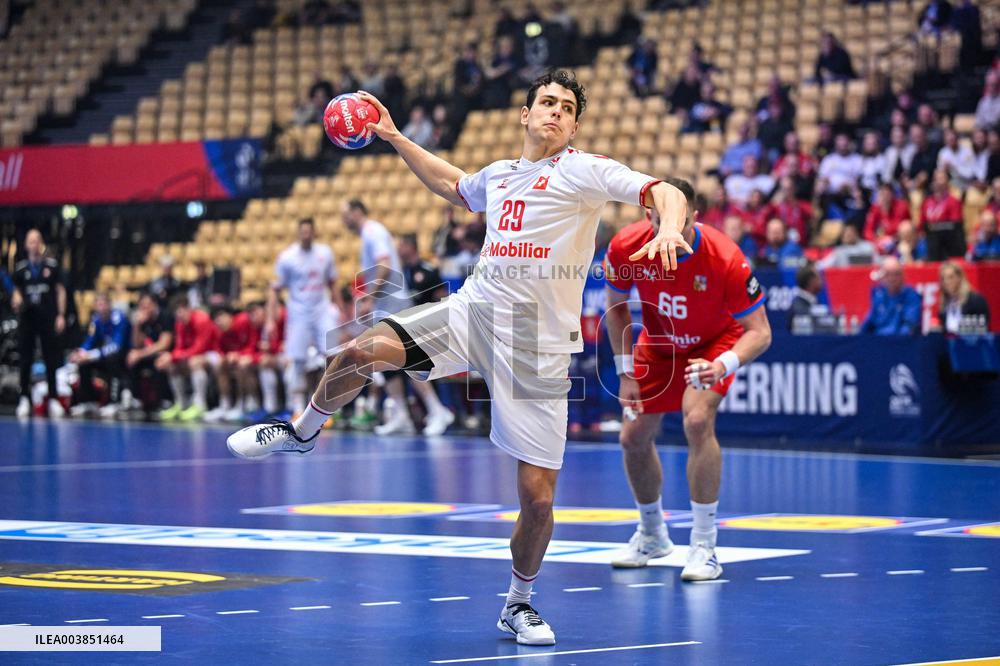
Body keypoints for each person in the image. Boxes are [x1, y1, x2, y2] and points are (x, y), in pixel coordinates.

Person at [227, 70, 691, 646]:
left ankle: (518, 604)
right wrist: (395, 137)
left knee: (539, 500)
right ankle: (301, 432)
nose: (554, 112)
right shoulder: (499, 176)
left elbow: (664, 191)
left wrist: (670, 226)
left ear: (574, 125)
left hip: (537, 347)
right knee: (356, 350)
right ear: (525, 115)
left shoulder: (584, 170)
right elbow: (453, 185)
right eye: (545, 102)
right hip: (474, 312)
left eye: (566, 108)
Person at [602, 178, 771, 580]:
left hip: (711, 344)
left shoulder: (725, 258)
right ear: (649, 215)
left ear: (694, 216)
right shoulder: (626, 246)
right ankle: (652, 534)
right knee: (632, 437)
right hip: (658, 345)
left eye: (681, 222)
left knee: (697, 420)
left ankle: (705, 545)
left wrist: (724, 364)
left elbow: (760, 332)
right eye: (663, 223)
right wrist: (625, 371)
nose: (671, 232)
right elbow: (616, 307)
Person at [341, 200, 455, 437]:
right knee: (384, 360)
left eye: (344, 215)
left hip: (393, 303)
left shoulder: (373, 232)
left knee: (408, 358)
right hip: (384, 304)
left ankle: (437, 410)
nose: (342, 220)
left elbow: (384, 265)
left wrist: (368, 298)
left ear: (356, 212)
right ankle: (401, 414)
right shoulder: (367, 235)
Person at [271, 218, 340, 416]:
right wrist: (270, 318)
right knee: (297, 361)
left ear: (314, 233)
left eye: (309, 232)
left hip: (322, 310)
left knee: (333, 355)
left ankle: (328, 406)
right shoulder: (287, 257)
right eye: (303, 232)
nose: (306, 235)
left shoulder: (325, 253)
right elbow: (275, 288)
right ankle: (298, 407)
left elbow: (333, 282)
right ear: (298, 233)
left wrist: (340, 309)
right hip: (298, 313)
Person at [11, 229, 66, 419]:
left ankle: (53, 398)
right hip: (28, 318)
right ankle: (24, 398)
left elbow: (60, 291)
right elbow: (15, 292)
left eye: (37, 241)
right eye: (31, 242)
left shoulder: (51, 267)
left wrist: (60, 314)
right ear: (26, 245)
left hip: (47, 317)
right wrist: (16, 300)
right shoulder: (20, 269)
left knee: (51, 358)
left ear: (41, 244)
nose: (34, 245)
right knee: (25, 358)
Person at [68, 291, 131, 419]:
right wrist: (81, 353)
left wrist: (91, 355)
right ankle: (88, 402)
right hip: (103, 355)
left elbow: (116, 346)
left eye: (104, 304)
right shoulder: (96, 320)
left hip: (122, 356)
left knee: (112, 360)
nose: (101, 308)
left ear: (109, 305)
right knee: (83, 363)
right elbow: (89, 340)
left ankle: (115, 402)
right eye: (99, 305)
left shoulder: (119, 319)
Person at [157, 295, 219, 421]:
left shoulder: (202, 319)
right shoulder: (180, 323)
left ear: (189, 308)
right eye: (176, 313)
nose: (179, 315)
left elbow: (200, 348)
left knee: (194, 362)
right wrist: (170, 358)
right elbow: (179, 347)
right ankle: (181, 404)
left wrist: (173, 356)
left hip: (214, 353)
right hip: (193, 355)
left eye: (181, 311)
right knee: (171, 365)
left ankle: (200, 405)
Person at [205, 304, 262, 423]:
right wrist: (226, 357)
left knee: (242, 365)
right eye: (216, 319)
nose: (219, 321)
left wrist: (239, 355)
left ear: (230, 316)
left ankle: (245, 403)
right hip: (239, 359)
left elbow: (254, 343)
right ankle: (225, 404)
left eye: (221, 316)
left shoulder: (244, 321)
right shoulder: (220, 331)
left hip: (257, 356)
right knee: (220, 365)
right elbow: (220, 350)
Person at [125, 291, 174, 415]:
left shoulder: (165, 316)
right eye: (142, 306)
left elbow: (164, 344)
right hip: (149, 352)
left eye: (147, 305)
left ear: (154, 305)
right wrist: (136, 325)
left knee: (160, 362)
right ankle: (136, 400)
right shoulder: (143, 320)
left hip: (168, 352)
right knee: (131, 359)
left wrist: (139, 354)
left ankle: (165, 401)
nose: (144, 309)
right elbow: (137, 344)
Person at [859, 257, 921, 335]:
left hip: (899, 343)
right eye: (887, 274)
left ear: (903, 276)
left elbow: (909, 326)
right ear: (881, 277)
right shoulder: (878, 294)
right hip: (878, 342)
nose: (892, 278)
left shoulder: (911, 295)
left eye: (896, 274)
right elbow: (868, 323)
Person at [921, 168, 965, 260]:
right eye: (936, 179)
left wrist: (936, 227)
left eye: (941, 178)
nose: (939, 182)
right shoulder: (927, 202)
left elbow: (956, 225)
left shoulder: (953, 202)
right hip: (930, 242)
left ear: (947, 182)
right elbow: (922, 224)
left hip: (948, 243)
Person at [938, 260, 990, 334]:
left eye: (951, 277)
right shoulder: (944, 304)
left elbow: (983, 329)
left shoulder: (975, 300)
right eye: (943, 278)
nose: (946, 282)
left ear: (960, 277)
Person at [865, 182, 911, 252]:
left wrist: (893, 238)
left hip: (899, 240)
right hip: (881, 242)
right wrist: (877, 240)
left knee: (906, 228)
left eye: (887, 194)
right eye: (881, 194)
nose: (884, 197)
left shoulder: (902, 206)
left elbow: (907, 227)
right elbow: (867, 231)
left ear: (892, 194)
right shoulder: (874, 209)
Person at [788, 263, 830, 333]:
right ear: (811, 281)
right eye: (819, 277)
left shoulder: (815, 302)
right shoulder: (798, 306)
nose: (822, 281)